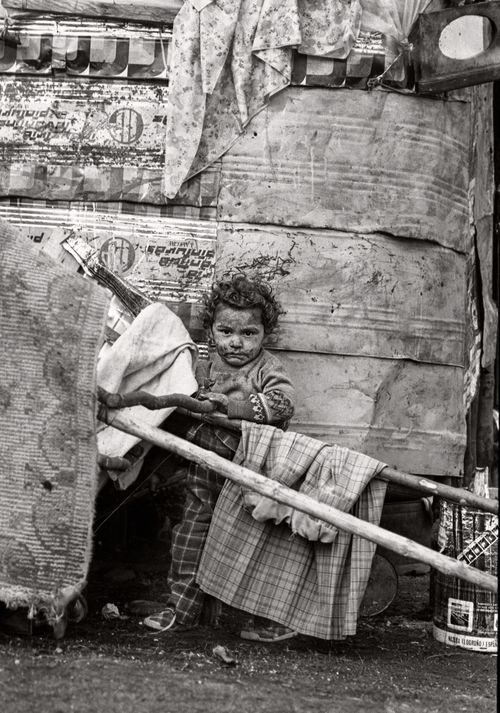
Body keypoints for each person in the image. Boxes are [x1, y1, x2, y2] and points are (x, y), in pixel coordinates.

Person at [143, 273, 296, 635]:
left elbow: (283, 403)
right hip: (203, 471)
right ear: (210, 330)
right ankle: (182, 611)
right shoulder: (204, 365)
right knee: (190, 535)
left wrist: (230, 405)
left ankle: (265, 620)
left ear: (264, 334)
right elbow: (182, 395)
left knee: (254, 545)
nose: (237, 343)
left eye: (249, 334)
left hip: (250, 473)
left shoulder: (267, 369)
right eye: (226, 332)